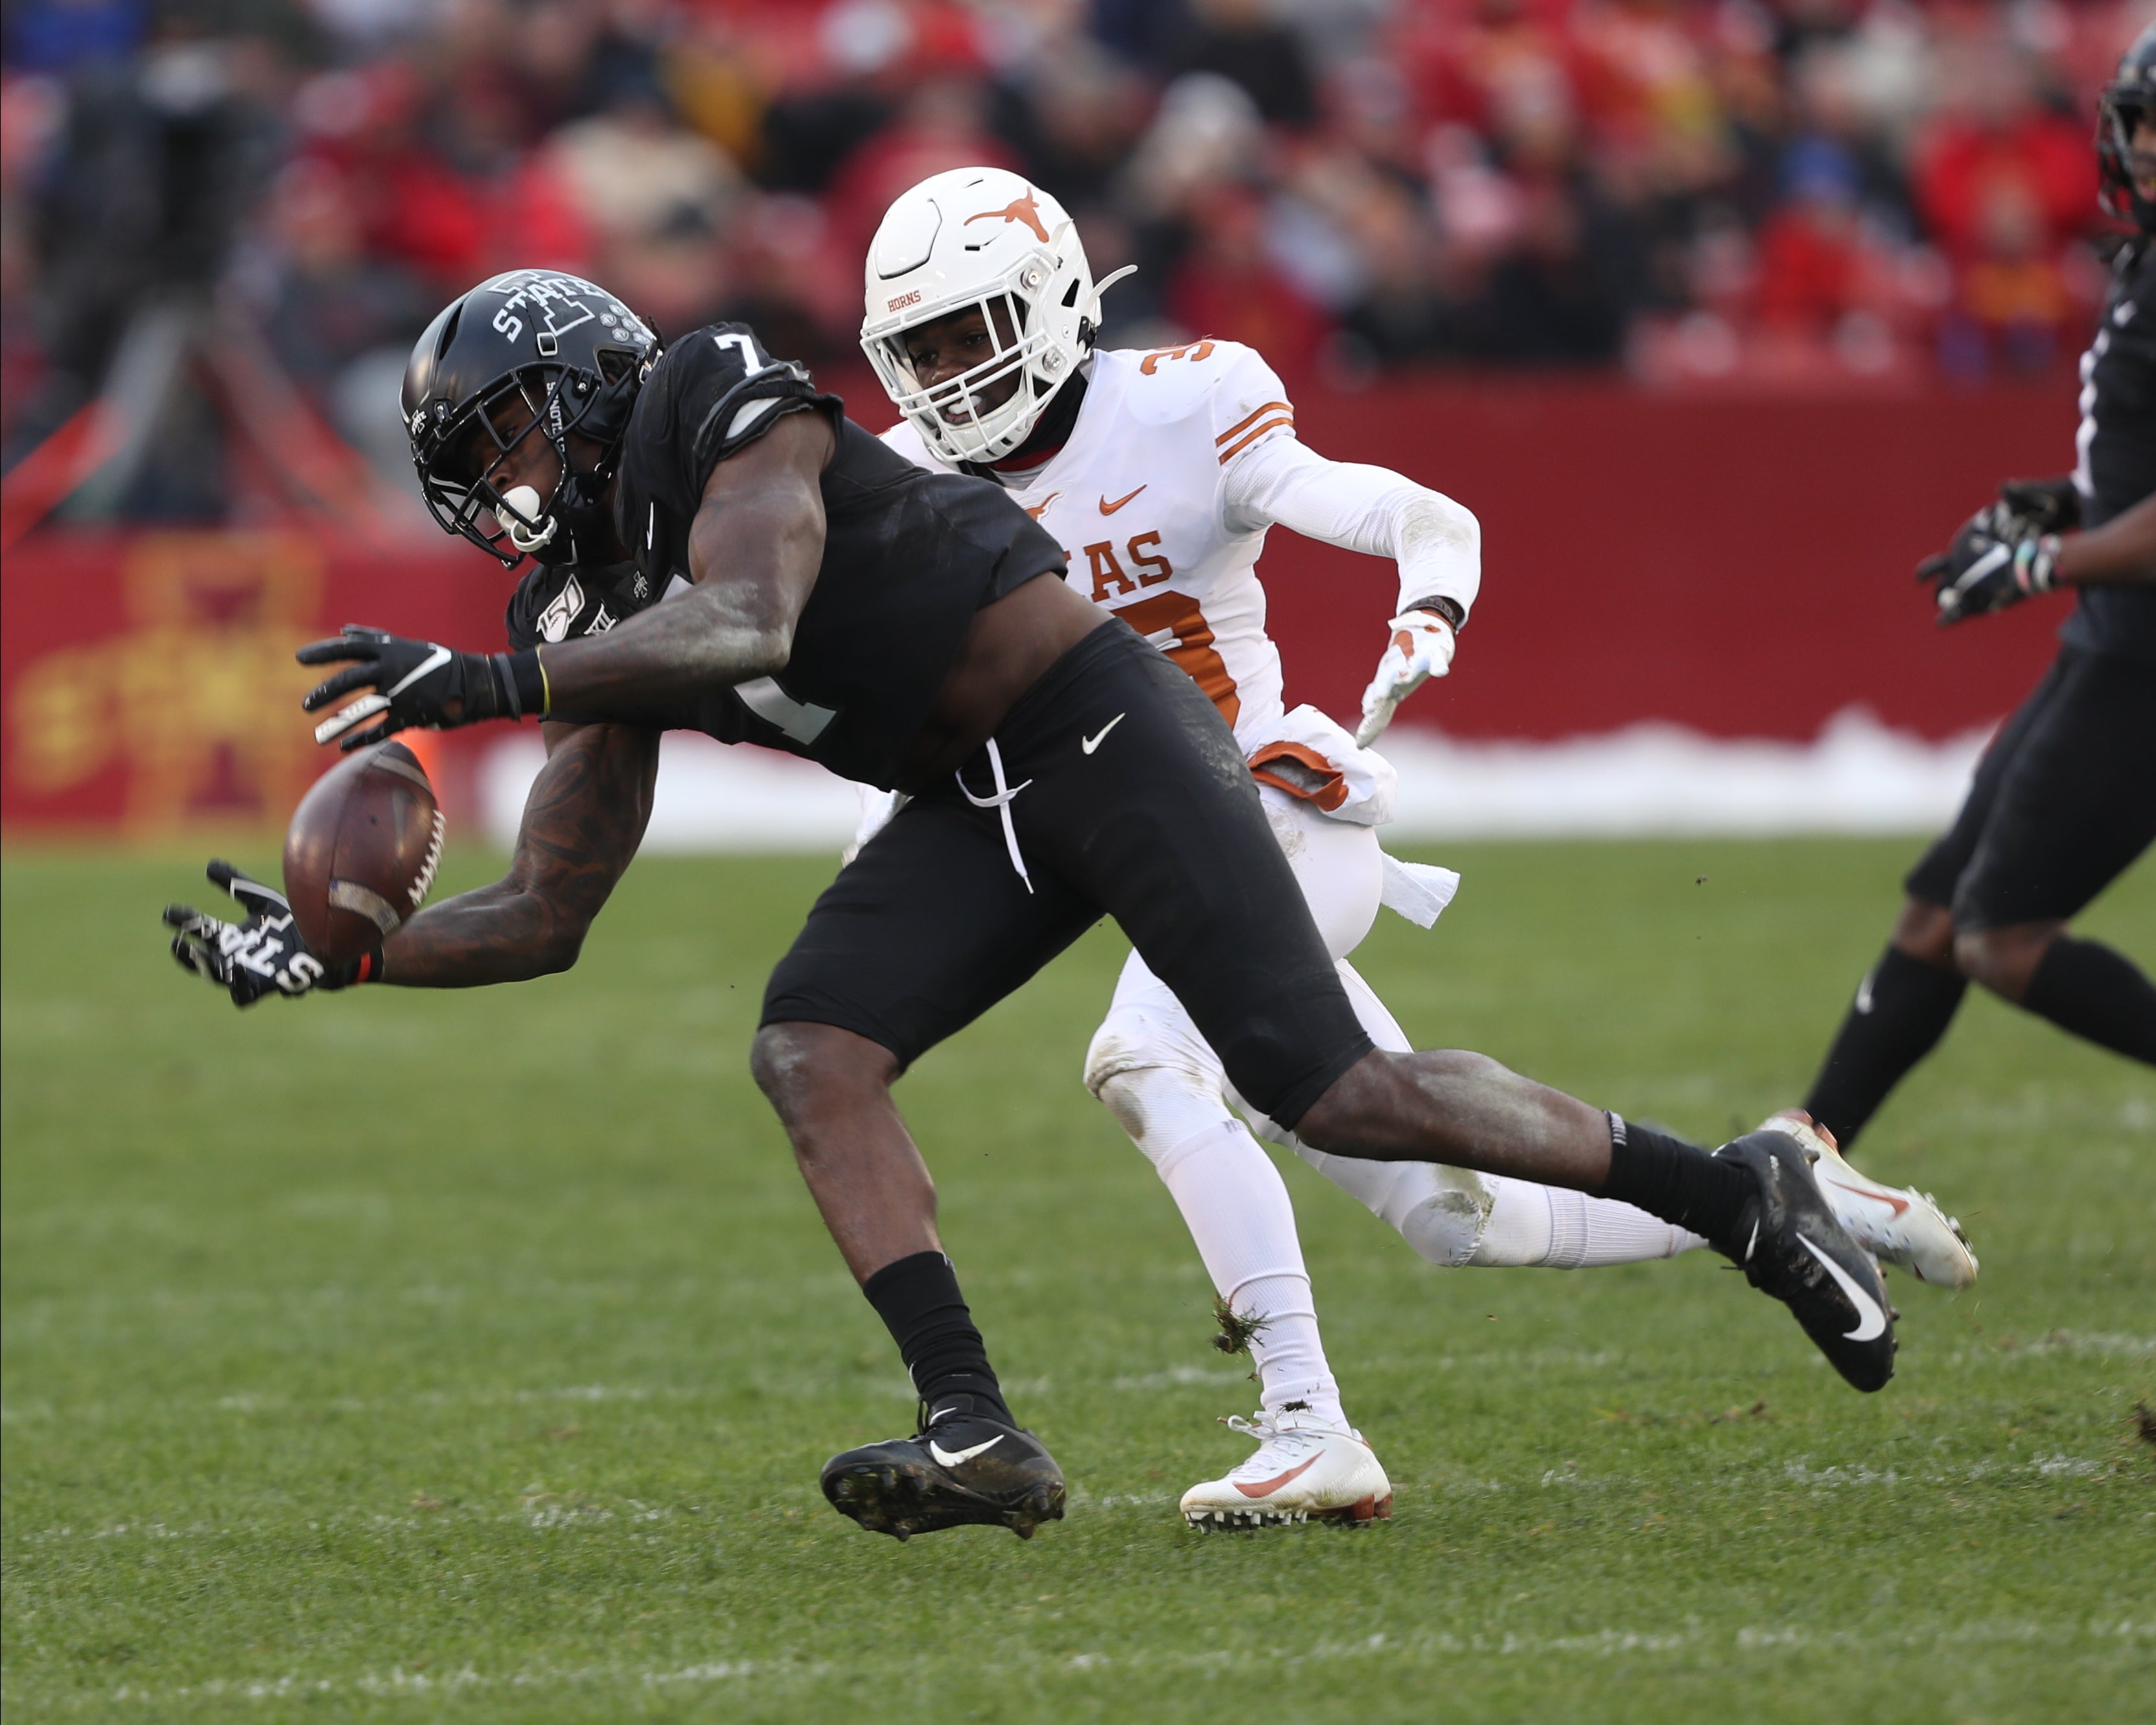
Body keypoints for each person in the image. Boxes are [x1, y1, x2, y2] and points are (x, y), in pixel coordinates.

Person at [167, 264, 1896, 1548]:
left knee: (1332, 1089)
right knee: (810, 1045)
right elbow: (551, 904)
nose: (502, 475)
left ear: (590, 383)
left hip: (1097, 720)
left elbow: (751, 616)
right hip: (972, 799)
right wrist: (356, 955)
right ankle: (978, 1429)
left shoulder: (714, 395)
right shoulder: (584, 596)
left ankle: (1730, 1193)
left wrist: (479, 681)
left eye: (509, 429)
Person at [854, 168, 1972, 1531]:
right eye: (918, 350)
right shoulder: (903, 488)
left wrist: (1421, 618)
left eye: (970, 333)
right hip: (1138, 852)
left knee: (1142, 1061)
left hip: (1264, 806)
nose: (949, 378)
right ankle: (1771, 1185)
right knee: (1457, 1217)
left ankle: (1304, 1422)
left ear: (1049, 301)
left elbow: (1417, 517)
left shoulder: (1180, 403)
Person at [1797, 30, 2156, 1168]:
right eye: (2135, 117)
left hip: (2144, 656)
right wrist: (2067, 508)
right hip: (2117, 633)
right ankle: (1804, 1158)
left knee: (2003, 935)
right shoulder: (2144, 257)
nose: (2142, 143)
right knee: (1943, 914)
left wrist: (2052, 564)